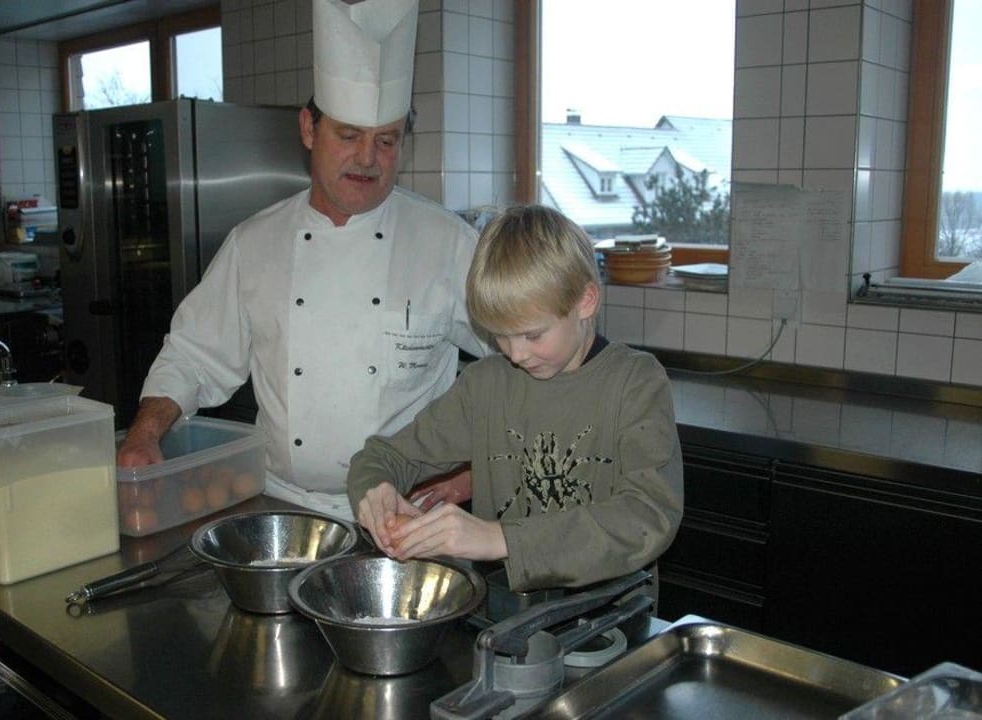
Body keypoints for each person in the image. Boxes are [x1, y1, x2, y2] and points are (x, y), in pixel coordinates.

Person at [116, 0, 489, 521]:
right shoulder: (255, 243)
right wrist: (144, 434)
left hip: (411, 518)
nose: (367, 158)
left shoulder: (451, 244)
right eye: (349, 135)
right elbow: (194, 355)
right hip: (284, 510)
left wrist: (477, 469)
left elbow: (524, 362)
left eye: (386, 140)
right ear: (309, 129)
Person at [348, 204, 684, 592]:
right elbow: (382, 457)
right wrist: (375, 490)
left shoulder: (636, 383)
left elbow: (648, 515)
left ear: (585, 301)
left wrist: (500, 538)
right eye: (500, 335)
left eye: (532, 335)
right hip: (508, 618)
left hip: (609, 620)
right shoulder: (487, 384)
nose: (515, 354)